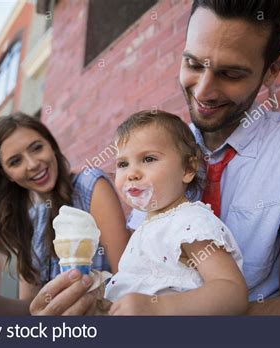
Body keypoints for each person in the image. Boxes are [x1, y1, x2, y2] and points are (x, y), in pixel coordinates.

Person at [30, 0, 280, 316]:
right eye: (193, 64)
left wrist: (167, 313)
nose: (203, 91)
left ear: (272, 70)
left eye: (231, 73)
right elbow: (147, 276)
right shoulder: (156, 157)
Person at [0, 112, 129, 315]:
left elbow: (128, 281)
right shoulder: (28, 221)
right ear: (5, 175)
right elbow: (32, 308)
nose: (33, 164)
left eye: (37, 148)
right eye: (16, 161)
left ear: (51, 145)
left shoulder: (89, 185)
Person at [104, 110, 247, 315]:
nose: (132, 174)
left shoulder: (189, 222)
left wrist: (158, 307)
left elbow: (232, 293)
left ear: (188, 169)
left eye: (148, 158)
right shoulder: (143, 229)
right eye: (123, 164)